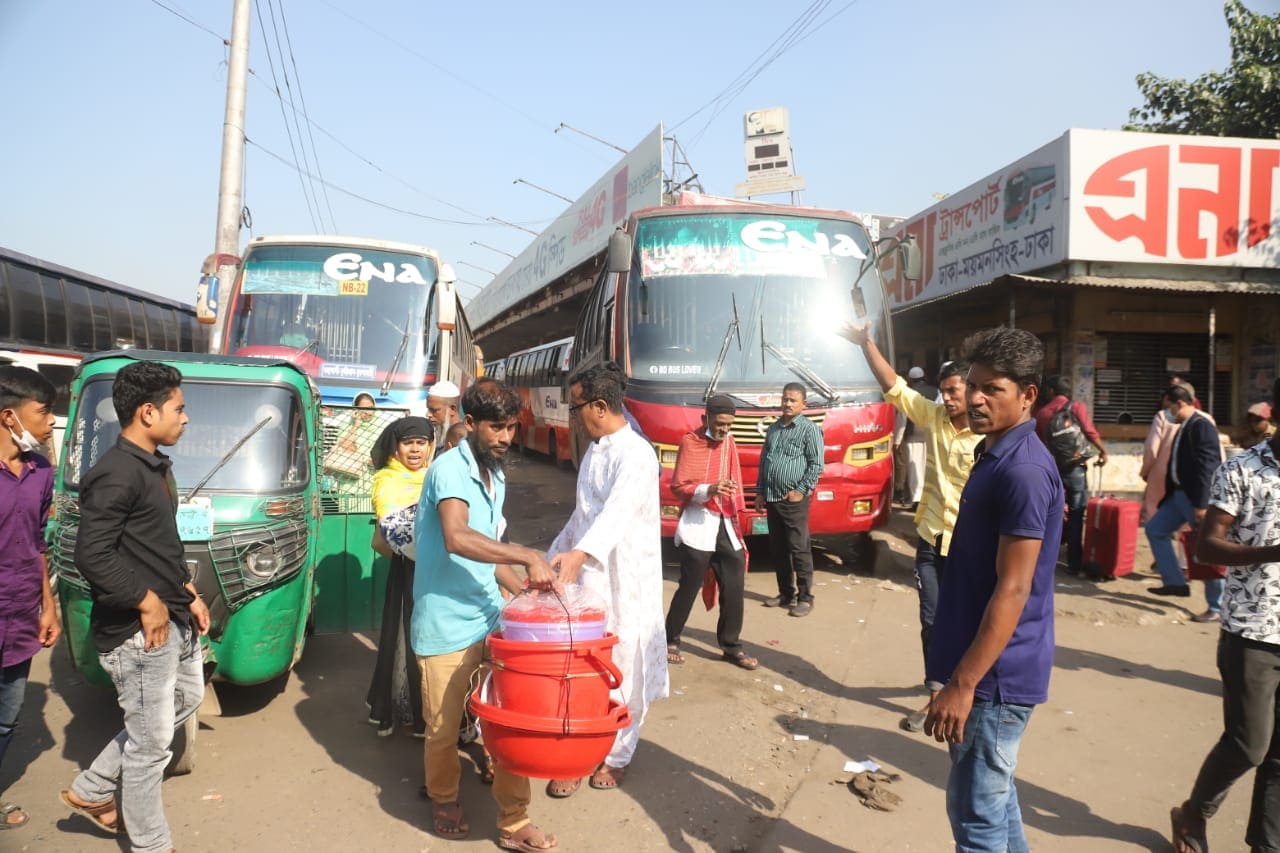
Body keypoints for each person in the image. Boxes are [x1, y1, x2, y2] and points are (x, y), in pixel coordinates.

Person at [60, 361, 211, 853]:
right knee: (150, 748)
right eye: (179, 409)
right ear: (148, 413)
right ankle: (151, 844)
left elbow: (156, 545)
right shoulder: (115, 473)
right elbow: (92, 554)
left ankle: (92, 788)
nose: (186, 419)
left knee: (185, 701)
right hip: (140, 632)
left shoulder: (154, 466)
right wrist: (146, 602)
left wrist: (189, 592)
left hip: (176, 617)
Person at [922, 327, 1063, 851]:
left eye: (993, 389)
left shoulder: (1023, 471)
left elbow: (1014, 588)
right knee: (996, 807)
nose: (976, 399)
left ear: (1028, 394)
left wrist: (963, 685)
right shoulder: (996, 451)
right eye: (973, 384)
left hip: (994, 680)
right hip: (982, 668)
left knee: (976, 819)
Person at [411, 380, 557, 851]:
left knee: (508, 719)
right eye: (497, 427)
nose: (507, 437)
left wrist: (527, 591)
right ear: (469, 423)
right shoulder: (449, 471)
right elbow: (456, 537)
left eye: (512, 427)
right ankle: (444, 798)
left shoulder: (495, 473)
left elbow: (486, 552)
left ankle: (514, 819)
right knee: (443, 726)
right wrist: (527, 554)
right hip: (446, 622)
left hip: (490, 615)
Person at [840, 324, 980, 734]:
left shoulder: (989, 433)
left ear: (974, 391)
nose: (948, 398)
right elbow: (894, 385)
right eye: (944, 391)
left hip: (971, 547)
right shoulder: (934, 418)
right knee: (931, 619)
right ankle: (936, 698)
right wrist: (866, 342)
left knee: (969, 624)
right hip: (930, 539)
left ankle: (968, 694)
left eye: (955, 390)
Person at [545, 363, 668, 796]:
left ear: (600, 406)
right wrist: (553, 556)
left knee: (626, 665)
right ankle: (578, 752)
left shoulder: (636, 454)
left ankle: (616, 755)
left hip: (627, 576)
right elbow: (583, 516)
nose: (574, 416)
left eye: (576, 407)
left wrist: (578, 555)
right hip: (593, 576)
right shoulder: (596, 451)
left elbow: (615, 516)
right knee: (586, 666)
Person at [1169, 378, 1280, 853]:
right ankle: (1194, 813)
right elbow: (1207, 542)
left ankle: (1266, 845)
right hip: (1252, 629)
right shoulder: (1244, 468)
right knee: (1249, 745)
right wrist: (1274, 551)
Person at [0, 367, 61, 832]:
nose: (50, 422)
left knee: (7, 719)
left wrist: (48, 605)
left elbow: (38, 541)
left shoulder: (42, 472)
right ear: (9, 417)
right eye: (43, 412)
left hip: (21, 614)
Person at [663, 394, 757, 671]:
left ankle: (731, 645)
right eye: (719, 424)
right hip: (698, 522)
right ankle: (670, 638)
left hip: (724, 521)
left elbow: (734, 481)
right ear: (706, 418)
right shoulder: (689, 442)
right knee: (690, 585)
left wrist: (730, 497)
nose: (724, 430)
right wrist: (710, 489)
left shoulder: (729, 442)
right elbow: (679, 486)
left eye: (729, 425)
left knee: (735, 585)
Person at [365, 416, 433, 738]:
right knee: (409, 637)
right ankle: (414, 711)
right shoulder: (387, 481)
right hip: (409, 568)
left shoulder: (436, 475)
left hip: (437, 568)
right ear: (396, 449)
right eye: (409, 443)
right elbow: (394, 527)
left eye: (422, 442)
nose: (416, 449)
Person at [1146, 384, 1226, 619]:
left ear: (1180, 403)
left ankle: (1216, 606)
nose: (1166, 412)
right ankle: (1175, 582)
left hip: (1195, 499)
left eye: (1168, 407)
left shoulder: (1201, 426)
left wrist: (1202, 504)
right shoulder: (1184, 426)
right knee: (1155, 529)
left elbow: (1208, 467)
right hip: (1178, 496)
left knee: (1207, 549)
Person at [754, 382, 823, 617]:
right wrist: (760, 492)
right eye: (785, 399)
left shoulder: (809, 429)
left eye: (793, 400)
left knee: (799, 548)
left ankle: (805, 597)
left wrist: (801, 490)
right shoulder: (773, 428)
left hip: (793, 499)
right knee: (778, 549)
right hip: (772, 497)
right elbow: (765, 461)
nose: (787, 403)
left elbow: (816, 465)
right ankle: (786, 594)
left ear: (803, 404)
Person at [1034, 375, 1108, 577]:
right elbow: (1090, 432)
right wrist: (1103, 451)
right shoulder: (1076, 407)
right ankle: (1074, 564)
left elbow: (1039, 444)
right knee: (1076, 513)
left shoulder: (1042, 413)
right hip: (1075, 468)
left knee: (1050, 513)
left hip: (1050, 470)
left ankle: (1044, 558)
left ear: (1051, 391)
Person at [901, 366, 938, 510]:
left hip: (913, 434)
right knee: (927, 465)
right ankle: (928, 498)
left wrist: (898, 439)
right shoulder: (936, 391)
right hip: (931, 431)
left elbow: (903, 417)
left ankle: (916, 499)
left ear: (910, 379)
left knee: (913, 464)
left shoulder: (910, 393)